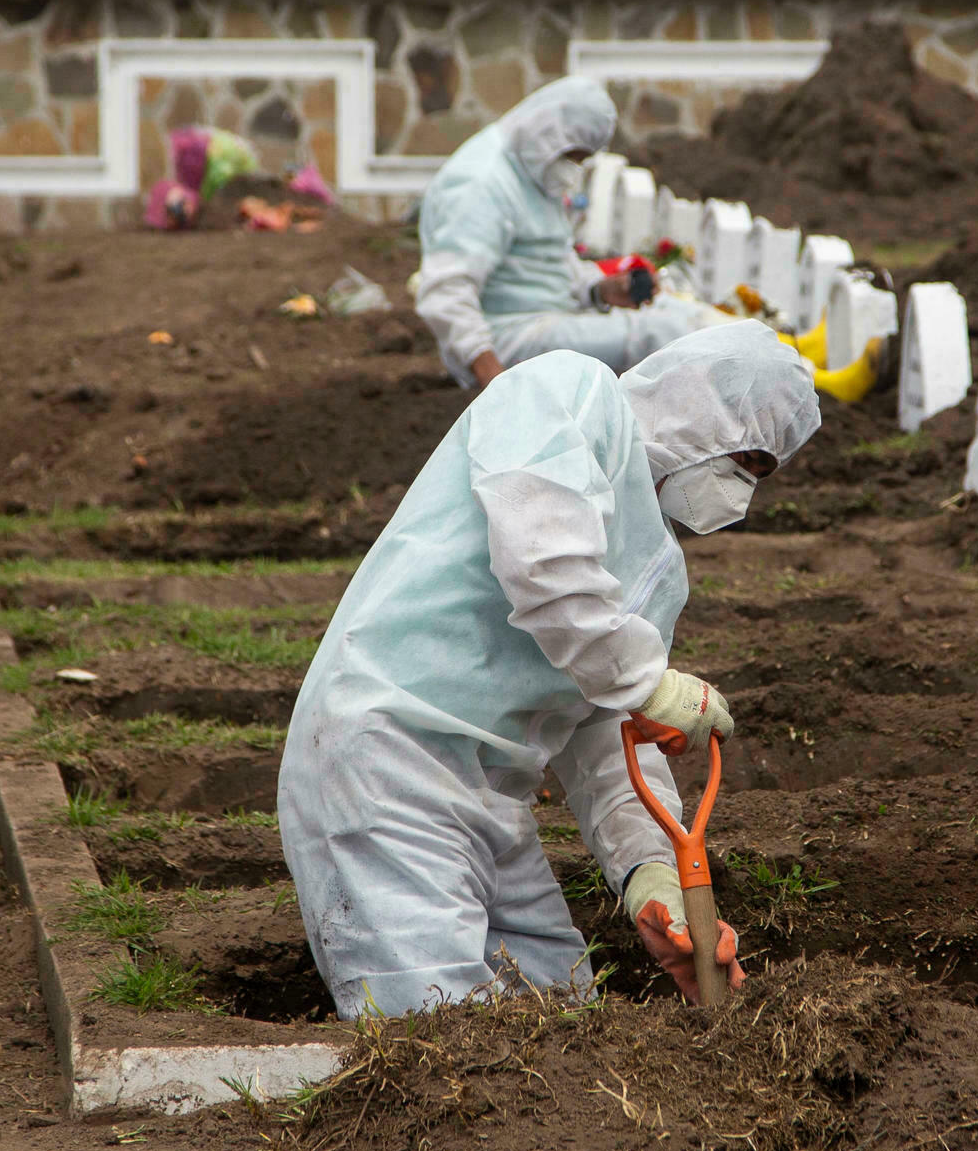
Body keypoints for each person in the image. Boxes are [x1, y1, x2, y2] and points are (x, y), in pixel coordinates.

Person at [281, 323, 820, 1017]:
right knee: (442, 1046)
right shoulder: (566, 393)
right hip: (385, 760)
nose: (741, 493)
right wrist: (649, 685)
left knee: (566, 1029)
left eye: (761, 474)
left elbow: (609, 735)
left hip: (489, 801)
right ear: (699, 403)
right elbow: (544, 565)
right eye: (745, 459)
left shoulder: (653, 572)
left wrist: (652, 879)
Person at [415, 77, 727, 389]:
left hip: (544, 321)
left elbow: (547, 261)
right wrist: (497, 386)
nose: (574, 168)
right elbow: (446, 294)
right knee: (661, 334)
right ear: (550, 135)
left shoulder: (530, 168)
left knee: (686, 315)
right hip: (508, 339)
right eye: (573, 157)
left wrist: (599, 289)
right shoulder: (481, 185)